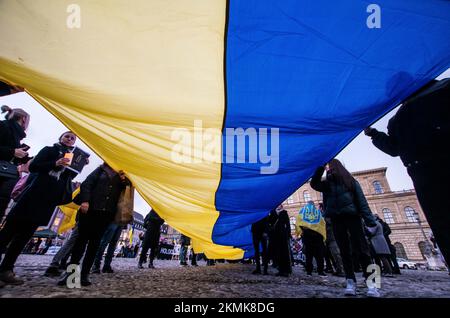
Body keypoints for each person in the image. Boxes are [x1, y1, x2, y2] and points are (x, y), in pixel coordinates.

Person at [364, 77, 450, 268]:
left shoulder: (442, 91)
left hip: (426, 171)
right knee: (442, 224)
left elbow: (393, 148)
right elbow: (394, 148)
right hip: (423, 174)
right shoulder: (399, 118)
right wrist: (373, 134)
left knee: (442, 223)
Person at [0, 131, 80, 285]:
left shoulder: (70, 158)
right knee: (8, 232)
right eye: (67, 136)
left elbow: (67, 179)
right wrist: (54, 164)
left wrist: (78, 165)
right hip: (33, 196)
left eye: (72, 138)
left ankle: (6, 269)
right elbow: (34, 167)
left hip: (47, 202)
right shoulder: (49, 150)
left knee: (23, 237)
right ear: (61, 137)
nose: (69, 139)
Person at [310, 159, 379, 297]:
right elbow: (314, 184)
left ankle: (372, 285)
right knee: (344, 252)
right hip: (337, 220)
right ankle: (350, 282)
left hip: (353, 218)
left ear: (337, 168)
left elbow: (362, 202)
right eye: (327, 168)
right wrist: (320, 168)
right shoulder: (327, 185)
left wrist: (371, 222)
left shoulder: (351, 182)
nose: (329, 170)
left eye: (330, 167)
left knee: (363, 251)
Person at [58, 163, 129, 287]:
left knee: (94, 245)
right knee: (80, 243)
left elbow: (127, 192)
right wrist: (85, 200)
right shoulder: (100, 170)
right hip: (89, 211)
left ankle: (84, 274)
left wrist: (124, 180)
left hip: (106, 214)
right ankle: (71, 274)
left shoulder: (122, 175)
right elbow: (86, 184)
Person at [0, 105, 31, 221]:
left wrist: (26, 159)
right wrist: (12, 152)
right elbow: (9, 152)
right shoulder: (3, 126)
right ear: (23, 119)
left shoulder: (16, 136)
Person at [295, 201, 327, 277]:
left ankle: (309, 272)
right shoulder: (318, 212)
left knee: (309, 254)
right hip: (317, 235)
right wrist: (322, 234)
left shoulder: (302, 211)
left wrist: (300, 232)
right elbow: (323, 223)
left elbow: (298, 222)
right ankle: (320, 271)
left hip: (307, 235)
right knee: (319, 255)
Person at [271, 204, 292, 277]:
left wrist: (288, 234)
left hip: (283, 234)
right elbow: (270, 222)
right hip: (275, 235)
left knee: (285, 252)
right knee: (278, 252)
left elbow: (288, 224)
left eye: (280, 204)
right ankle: (280, 270)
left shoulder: (284, 212)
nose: (279, 205)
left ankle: (286, 270)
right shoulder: (273, 212)